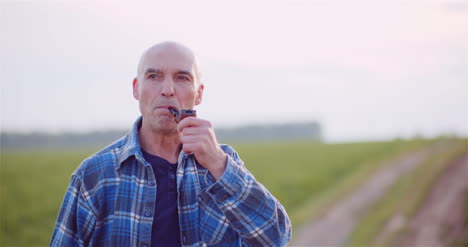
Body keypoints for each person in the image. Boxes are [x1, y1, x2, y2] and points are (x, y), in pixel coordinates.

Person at [50, 41, 292, 247]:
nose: (167, 90)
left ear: (198, 94)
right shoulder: (95, 175)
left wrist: (218, 164)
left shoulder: (222, 164)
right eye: (154, 76)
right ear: (137, 89)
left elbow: (277, 237)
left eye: (182, 78)